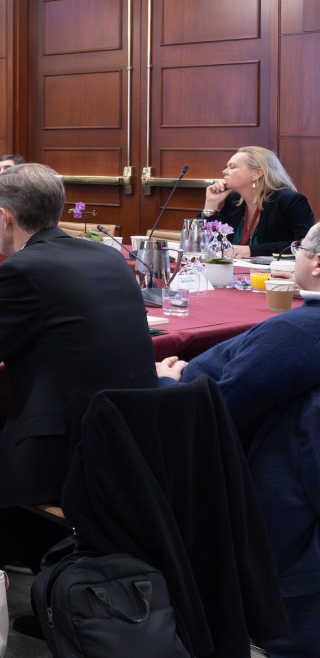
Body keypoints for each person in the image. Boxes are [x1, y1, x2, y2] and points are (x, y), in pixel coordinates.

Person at [155, 221, 320, 658]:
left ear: (317, 263)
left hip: (274, 509)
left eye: (299, 248)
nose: (296, 256)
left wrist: (169, 385)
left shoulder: (296, 334)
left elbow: (219, 415)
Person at [0, 163, 156, 510]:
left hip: (60, 452)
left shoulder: (21, 270)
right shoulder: (110, 257)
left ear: (5, 217)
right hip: (130, 441)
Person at [202, 146, 315, 258]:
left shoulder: (290, 201)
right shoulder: (234, 201)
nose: (224, 171)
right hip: (235, 270)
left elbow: (306, 245)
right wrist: (211, 204)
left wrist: (252, 250)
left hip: (277, 273)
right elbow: (206, 242)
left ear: (256, 173)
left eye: (232, 167)